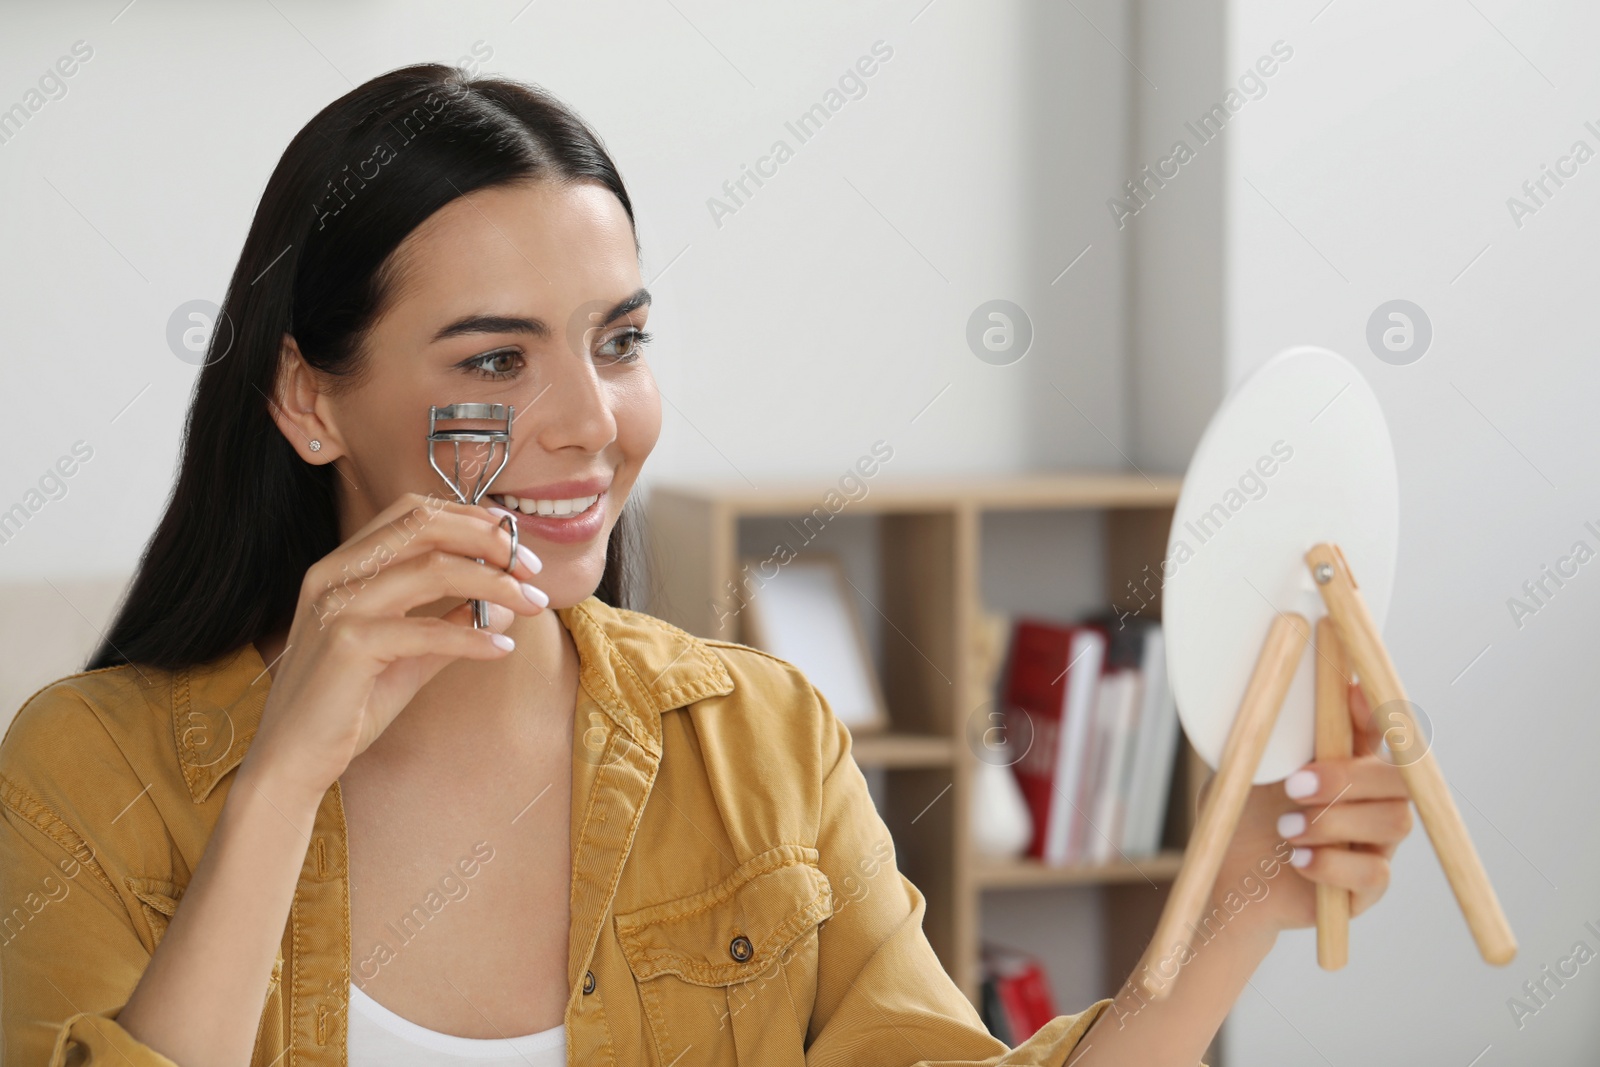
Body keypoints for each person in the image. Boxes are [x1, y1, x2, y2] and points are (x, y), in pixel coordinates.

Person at [0, 64, 1414, 1066]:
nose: (588, 425)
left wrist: (1239, 904)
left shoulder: (758, 740)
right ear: (311, 400)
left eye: (618, 343)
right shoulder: (83, 770)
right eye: (494, 358)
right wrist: (283, 781)